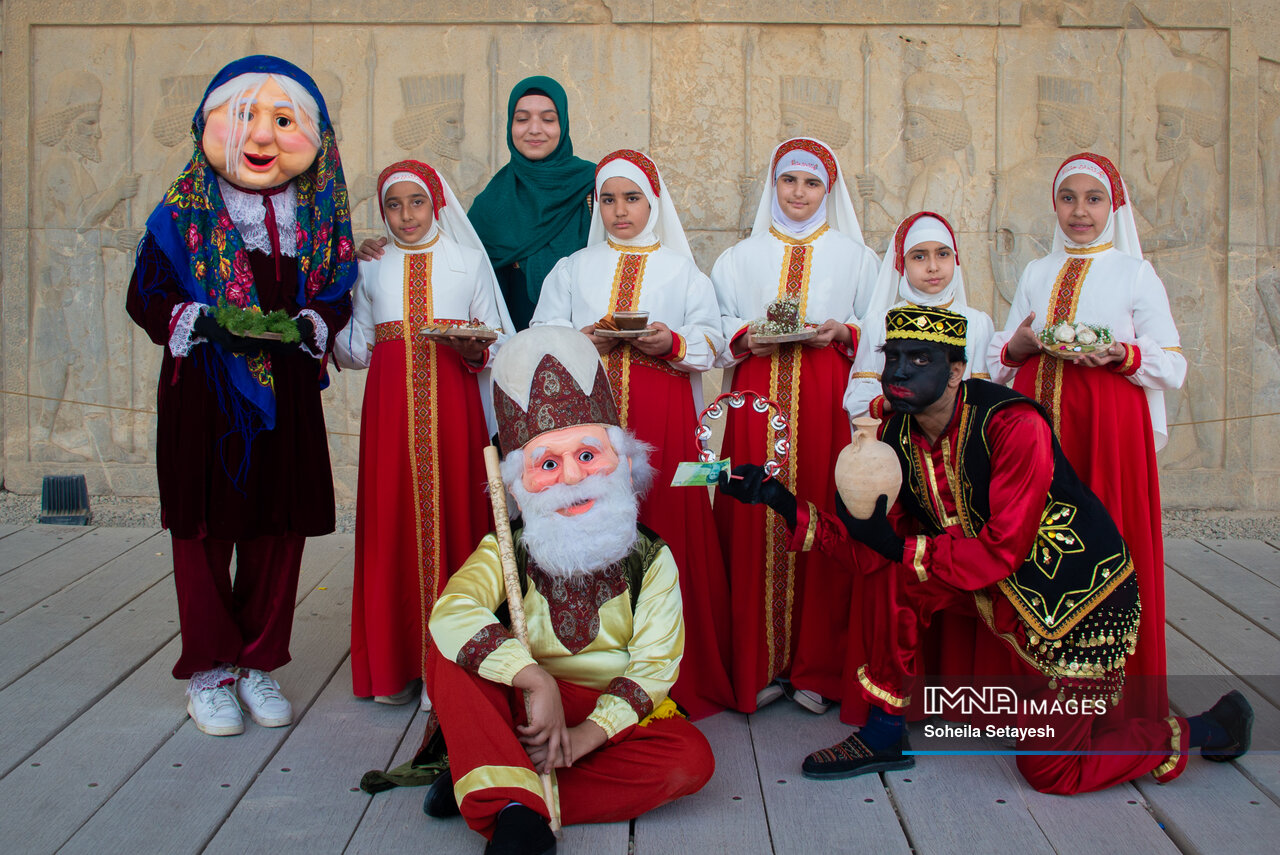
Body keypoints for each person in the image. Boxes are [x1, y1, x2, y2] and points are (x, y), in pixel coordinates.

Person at [720, 305, 1253, 793]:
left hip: (1073, 601)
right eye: (892, 358)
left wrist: (901, 548)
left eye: (920, 360)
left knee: (1051, 772)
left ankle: (1205, 729)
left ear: (956, 372)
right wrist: (780, 501)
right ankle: (883, 733)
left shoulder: (1012, 424)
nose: (898, 373)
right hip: (984, 579)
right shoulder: (898, 433)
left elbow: (1003, 551)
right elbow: (873, 554)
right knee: (895, 576)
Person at [126, 56, 355, 736]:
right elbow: (146, 294)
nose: (261, 136)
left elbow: (336, 291)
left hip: (289, 393)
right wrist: (195, 320)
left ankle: (258, 660)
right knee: (203, 529)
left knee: (278, 529)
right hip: (205, 392)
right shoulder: (179, 214)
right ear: (206, 124)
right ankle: (209, 670)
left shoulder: (318, 215)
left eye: (284, 121)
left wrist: (316, 321)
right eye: (245, 116)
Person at [424, 325, 714, 855]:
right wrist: (534, 680)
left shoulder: (653, 559)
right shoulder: (507, 549)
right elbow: (453, 610)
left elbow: (653, 668)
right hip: (523, 705)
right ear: (518, 490)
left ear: (624, 465)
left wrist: (586, 735)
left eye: (587, 455)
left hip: (603, 717)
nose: (574, 479)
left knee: (689, 761)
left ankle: (490, 780)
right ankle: (512, 809)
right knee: (449, 652)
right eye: (548, 464)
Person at [531, 148, 736, 718]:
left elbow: (713, 341)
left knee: (671, 522)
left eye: (632, 198)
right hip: (587, 422)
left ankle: (677, 673)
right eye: (608, 199)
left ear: (654, 203)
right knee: (590, 528)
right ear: (595, 205)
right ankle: (590, 671)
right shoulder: (572, 268)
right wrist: (582, 339)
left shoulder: (682, 271)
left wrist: (670, 342)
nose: (620, 210)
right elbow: (539, 334)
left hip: (666, 419)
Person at [989, 153, 1186, 722]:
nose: (1080, 211)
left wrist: (1121, 353)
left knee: (1102, 542)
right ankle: (1035, 687)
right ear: (1054, 205)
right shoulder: (1036, 271)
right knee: (1034, 543)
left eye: (1093, 199)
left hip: (1105, 427)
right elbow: (1003, 352)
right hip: (1035, 425)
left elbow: (1172, 363)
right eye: (1068, 198)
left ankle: (1105, 694)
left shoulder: (1134, 274)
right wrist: (1016, 347)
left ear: (1112, 208)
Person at [335, 159, 513, 708]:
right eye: (394, 205)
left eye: (416, 202)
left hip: (455, 412)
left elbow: (498, 342)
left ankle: (455, 667)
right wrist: (334, 288)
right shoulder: (371, 266)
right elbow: (355, 350)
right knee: (391, 522)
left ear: (436, 203)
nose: (406, 215)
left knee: (458, 518)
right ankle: (397, 665)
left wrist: (475, 348)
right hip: (389, 419)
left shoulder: (467, 261)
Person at [710, 137, 879, 714]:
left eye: (811, 183)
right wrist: (746, 336)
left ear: (827, 192)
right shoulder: (739, 258)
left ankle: (817, 667)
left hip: (826, 397)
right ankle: (755, 663)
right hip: (756, 396)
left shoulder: (856, 258)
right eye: (789, 180)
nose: (799, 192)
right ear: (773, 185)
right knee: (753, 512)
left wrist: (843, 332)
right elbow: (717, 323)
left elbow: (876, 325)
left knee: (821, 511)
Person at [357, 76, 595, 331]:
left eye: (548, 119)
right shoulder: (492, 202)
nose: (534, 129)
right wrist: (384, 252)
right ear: (510, 125)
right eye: (522, 119)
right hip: (506, 344)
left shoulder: (592, 187)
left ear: (563, 124)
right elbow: (446, 260)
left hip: (584, 339)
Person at [845, 211, 993, 421]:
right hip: (896, 431)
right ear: (902, 263)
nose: (933, 267)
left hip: (957, 433)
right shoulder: (880, 322)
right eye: (919, 257)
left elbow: (984, 393)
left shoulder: (978, 323)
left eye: (943, 254)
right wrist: (898, 400)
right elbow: (859, 394)